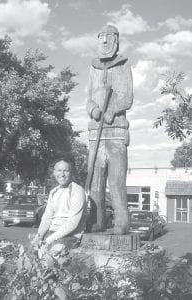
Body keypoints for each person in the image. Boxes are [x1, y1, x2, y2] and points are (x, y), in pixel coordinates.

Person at [86, 24, 133, 234]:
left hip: (116, 132)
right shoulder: (93, 67)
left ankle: (121, 221)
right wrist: (93, 109)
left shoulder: (123, 65)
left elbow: (127, 96)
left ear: (116, 40)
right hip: (95, 132)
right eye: (101, 37)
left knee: (116, 180)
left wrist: (112, 109)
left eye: (109, 37)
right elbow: (88, 97)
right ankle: (98, 220)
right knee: (96, 181)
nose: (104, 42)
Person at [36, 159, 87, 249]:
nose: (62, 174)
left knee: (51, 254)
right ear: (54, 173)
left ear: (71, 173)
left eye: (66, 171)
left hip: (70, 236)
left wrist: (48, 240)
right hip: (52, 233)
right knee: (32, 250)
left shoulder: (77, 191)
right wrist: (39, 236)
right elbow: (47, 217)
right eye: (59, 171)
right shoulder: (53, 192)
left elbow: (72, 223)